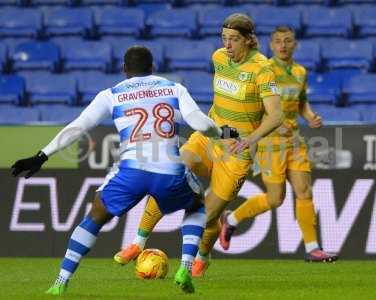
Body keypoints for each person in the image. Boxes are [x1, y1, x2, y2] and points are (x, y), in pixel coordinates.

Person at [11, 46, 240, 295]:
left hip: (131, 171)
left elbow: (78, 127)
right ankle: (185, 266)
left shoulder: (111, 94)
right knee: (196, 207)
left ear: (124, 69)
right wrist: (225, 133)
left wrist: (41, 155)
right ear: (153, 67)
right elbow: (198, 122)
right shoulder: (174, 88)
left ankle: (60, 281)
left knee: (95, 217)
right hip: (169, 170)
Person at [113, 13, 283, 276]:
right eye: (224, 38)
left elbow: (276, 115)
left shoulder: (262, 70)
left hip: (237, 153)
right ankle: (138, 243)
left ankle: (203, 255)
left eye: (234, 39)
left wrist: (250, 139)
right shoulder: (219, 58)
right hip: (210, 138)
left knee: (209, 217)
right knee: (167, 174)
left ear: (249, 40)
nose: (227, 45)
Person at [219, 26, 338, 263]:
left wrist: (310, 115)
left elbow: (301, 102)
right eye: (278, 42)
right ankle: (231, 220)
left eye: (288, 41)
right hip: (270, 143)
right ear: (271, 45)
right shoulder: (263, 70)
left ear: (295, 45)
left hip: (295, 141)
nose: (283, 45)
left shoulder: (300, 71)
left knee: (304, 191)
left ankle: (313, 248)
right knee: (275, 199)